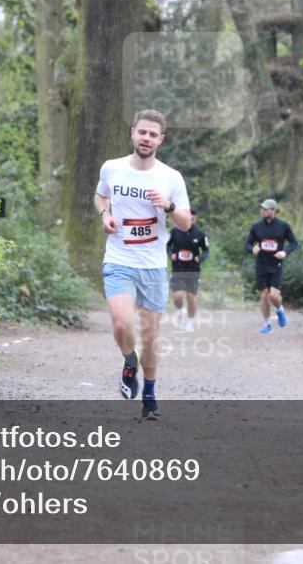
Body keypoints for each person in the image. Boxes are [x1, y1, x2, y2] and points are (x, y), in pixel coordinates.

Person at [94, 109, 191, 421]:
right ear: (132, 133)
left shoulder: (171, 177)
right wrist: (105, 215)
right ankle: (128, 361)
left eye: (153, 134)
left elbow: (186, 223)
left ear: (161, 140)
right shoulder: (112, 168)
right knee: (121, 324)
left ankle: (149, 393)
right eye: (142, 132)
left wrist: (168, 205)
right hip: (119, 259)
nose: (146, 138)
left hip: (152, 265)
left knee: (150, 336)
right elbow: (100, 197)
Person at [245, 199, 299, 334]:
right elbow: (247, 244)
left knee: (273, 296)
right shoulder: (256, 226)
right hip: (261, 264)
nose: (263, 211)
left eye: (266, 209)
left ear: (274, 210)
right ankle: (267, 324)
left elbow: (294, 242)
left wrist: (285, 252)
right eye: (262, 209)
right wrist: (252, 249)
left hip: (276, 265)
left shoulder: (283, 226)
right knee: (264, 295)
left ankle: (280, 309)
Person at [167, 207, 209, 332]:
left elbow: (206, 250)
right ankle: (179, 310)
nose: (190, 219)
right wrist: (170, 254)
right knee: (177, 296)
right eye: (188, 216)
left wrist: (200, 258)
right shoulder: (175, 231)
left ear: (196, 219)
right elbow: (168, 245)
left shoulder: (200, 234)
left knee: (191, 299)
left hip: (193, 270)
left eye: (193, 217)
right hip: (178, 269)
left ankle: (190, 322)